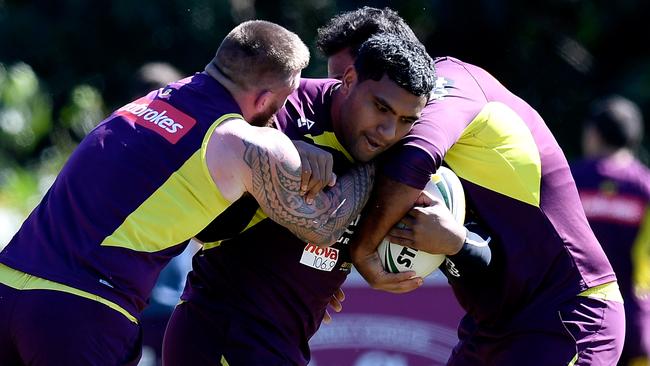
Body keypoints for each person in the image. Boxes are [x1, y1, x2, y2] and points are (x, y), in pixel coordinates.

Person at [0, 20, 371, 366]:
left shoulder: (152, 100)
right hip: (81, 310)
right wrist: (377, 167)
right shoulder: (238, 141)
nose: (285, 111)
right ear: (263, 98)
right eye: (286, 98)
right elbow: (322, 224)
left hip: (8, 286)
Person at [317, 7, 626, 365]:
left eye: (347, 83)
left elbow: (416, 159)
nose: (337, 101)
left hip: (566, 314)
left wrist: (361, 251)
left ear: (393, 61)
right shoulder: (386, 143)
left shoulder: (451, 84)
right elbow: (487, 256)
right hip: (494, 325)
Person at [161, 32, 435, 366]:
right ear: (349, 79)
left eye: (407, 121)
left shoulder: (395, 150)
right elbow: (207, 226)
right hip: (227, 333)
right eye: (381, 108)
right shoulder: (285, 111)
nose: (388, 131)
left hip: (278, 340)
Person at [571, 95, 650, 366]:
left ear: (593, 134)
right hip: (637, 320)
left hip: (578, 318)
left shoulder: (571, 180)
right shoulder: (645, 188)